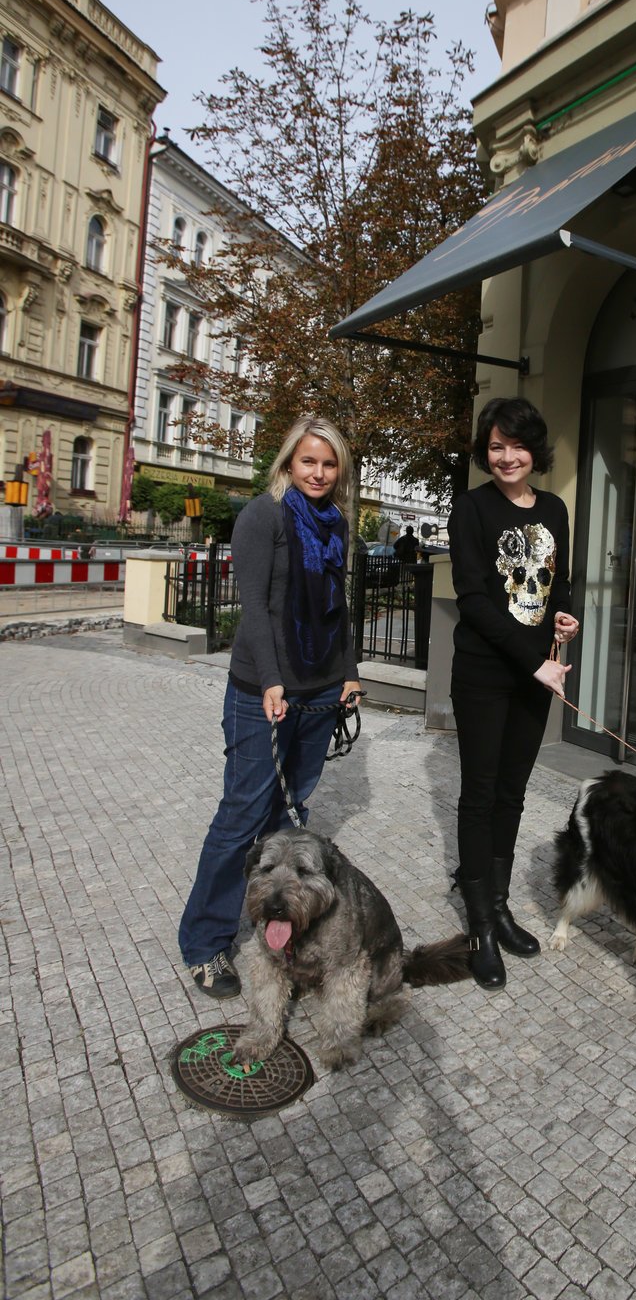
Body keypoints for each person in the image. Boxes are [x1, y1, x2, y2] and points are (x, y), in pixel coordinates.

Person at [178, 416, 362, 997]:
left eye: (329, 464)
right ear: (288, 463)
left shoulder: (337, 523)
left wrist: (349, 675)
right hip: (264, 691)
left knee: (289, 818)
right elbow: (253, 609)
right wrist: (272, 681)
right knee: (242, 816)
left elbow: (341, 605)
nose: (319, 473)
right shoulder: (265, 514)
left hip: (319, 691)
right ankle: (205, 941)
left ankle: (277, 926)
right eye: (309, 461)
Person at [448, 396, 580, 990]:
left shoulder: (553, 509)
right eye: (495, 446)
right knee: (479, 795)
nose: (506, 456)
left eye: (517, 445)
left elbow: (560, 583)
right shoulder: (471, 510)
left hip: (535, 672)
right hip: (485, 673)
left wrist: (565, 618)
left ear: (535, 449)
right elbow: (475, 601)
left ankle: (499, 906)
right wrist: (536, 664)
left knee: (512, 791)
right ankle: (479, 926)